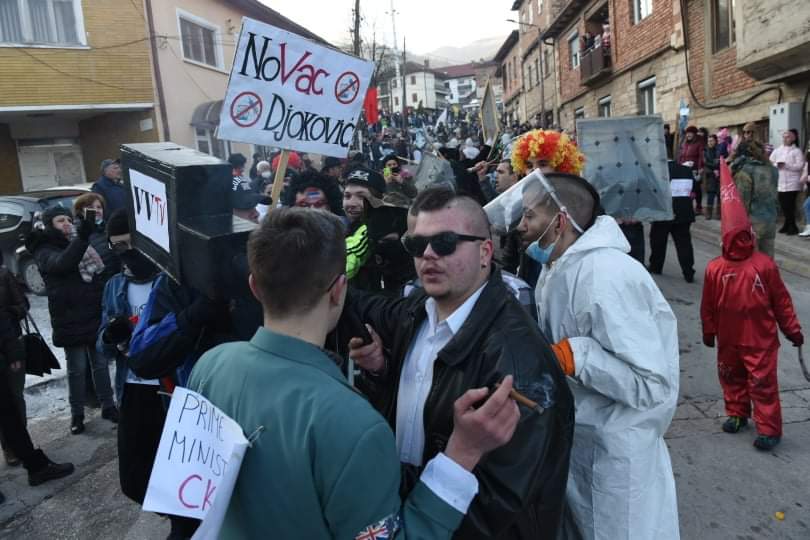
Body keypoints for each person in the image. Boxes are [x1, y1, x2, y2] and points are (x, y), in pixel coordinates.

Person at [188, 208, 520, 538]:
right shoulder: (356, 426)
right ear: (338, 290)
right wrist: (461, 456)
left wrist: (381, 371)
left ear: (255, 287)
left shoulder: (209, 367)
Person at [346, 187, 575, 539]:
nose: (428, 254)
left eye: (445, 242)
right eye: (416, 244)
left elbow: (498, 505)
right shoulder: (418, 311)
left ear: (485, 252)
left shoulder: (519, 364)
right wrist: (381, 372)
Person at [520, 172, 680, 539]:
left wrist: (577, 356)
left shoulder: (605, 275)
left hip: (616, 456)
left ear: (559, 221)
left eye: (529, 215)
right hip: (583, 439)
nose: (520, 226)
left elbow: (652, 384)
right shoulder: (558, 266)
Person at [701, 161, 802, 451]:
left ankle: (769, 428)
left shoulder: (763, 266)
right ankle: (737, 413)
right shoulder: (715, 269)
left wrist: (792, 330)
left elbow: (781, 301)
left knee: (762, 383)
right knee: (731, 376)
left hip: (760, 340)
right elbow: (709, 305)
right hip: (729, 338)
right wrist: (709, 330)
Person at [25, 206, 118, 435]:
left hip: (92, 311)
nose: (66, 223)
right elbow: (62, 263)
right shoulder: (43, 247)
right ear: (49, 224)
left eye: (68, 219)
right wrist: (82, 238)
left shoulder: (77, 241)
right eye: (60, 220)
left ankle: (108, 406)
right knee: (77, 368)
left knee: (100, 364)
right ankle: (77, 414)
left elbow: (98, 271)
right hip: (69, 317)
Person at [0, 260, 28, 466]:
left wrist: (9, 313)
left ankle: (23, 443)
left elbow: (23, 305)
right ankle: (9, 447)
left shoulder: (4, 274)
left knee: (16, 398)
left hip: (12, 344)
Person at [648, 161, 696, 282]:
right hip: (683, 212)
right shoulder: (686, 170)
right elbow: (694, 189)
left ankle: (656, 266)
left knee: (658, 241)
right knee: (684, 244)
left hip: (664, 212)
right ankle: (688, 272)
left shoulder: (658, 171)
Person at [730, 140, 779, 258]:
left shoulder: (746, 171)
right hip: (770, 219)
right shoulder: (772, 169)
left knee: (753, 259)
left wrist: (738, 224)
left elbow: (743, 201)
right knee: (768, 257)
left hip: (753, 221)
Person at [342, 166, 386, 286]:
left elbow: (345, 261)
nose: (351, 203)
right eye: (347, 196)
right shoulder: (347, 224)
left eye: (362, 197)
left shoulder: (373, 228)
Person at [769, 128, 805, 236]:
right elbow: (770, 161)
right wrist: (777, 165)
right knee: (784, 205)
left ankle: (792, 227)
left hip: (792, 182)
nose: (785, 139)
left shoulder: (796, 151)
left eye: (788, 137)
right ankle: (787, 224)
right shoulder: (778, 150)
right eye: (784, 137)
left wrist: (787, 165)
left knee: (790, 205)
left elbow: (800, 166)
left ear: (793, 139)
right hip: (781, 182)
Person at [678, 125, 705, 213]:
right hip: (684, 169)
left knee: (696, 189)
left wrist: (700, 168)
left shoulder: (699, 143)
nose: (688, 135)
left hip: (694, 169)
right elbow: (681, 155)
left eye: (690, 133)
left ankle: (699, 207)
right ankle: (688, 206)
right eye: (687, 133)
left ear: (694, 134)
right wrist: (679, 166)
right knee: (687, 188)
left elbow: (701, 156)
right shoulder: (684, 143)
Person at [703, 134, 721, 219]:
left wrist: (717, 168)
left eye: (712, 141)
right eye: (708, 141)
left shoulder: (719, 150)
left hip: (719, 174)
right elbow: (705, 162)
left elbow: (720, 161)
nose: (710, 142)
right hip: (710, 174)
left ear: (715, 141)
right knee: (711, 193)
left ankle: (719, 213)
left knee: (719, 193)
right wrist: (714, 169)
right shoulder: (705, 151)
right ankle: (709, 212)